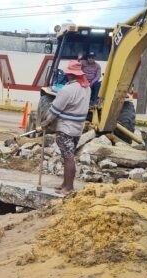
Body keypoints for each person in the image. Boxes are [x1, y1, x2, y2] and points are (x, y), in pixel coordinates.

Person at [41, 60, 90, 195]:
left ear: (69, 74)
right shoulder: (86, 87)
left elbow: (54, 111)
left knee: (68, 157)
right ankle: (65, 184)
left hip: (66, 128)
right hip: (78, 128)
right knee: (68, 155)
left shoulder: (67, 90)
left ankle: (69, 188)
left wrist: (45, 122)